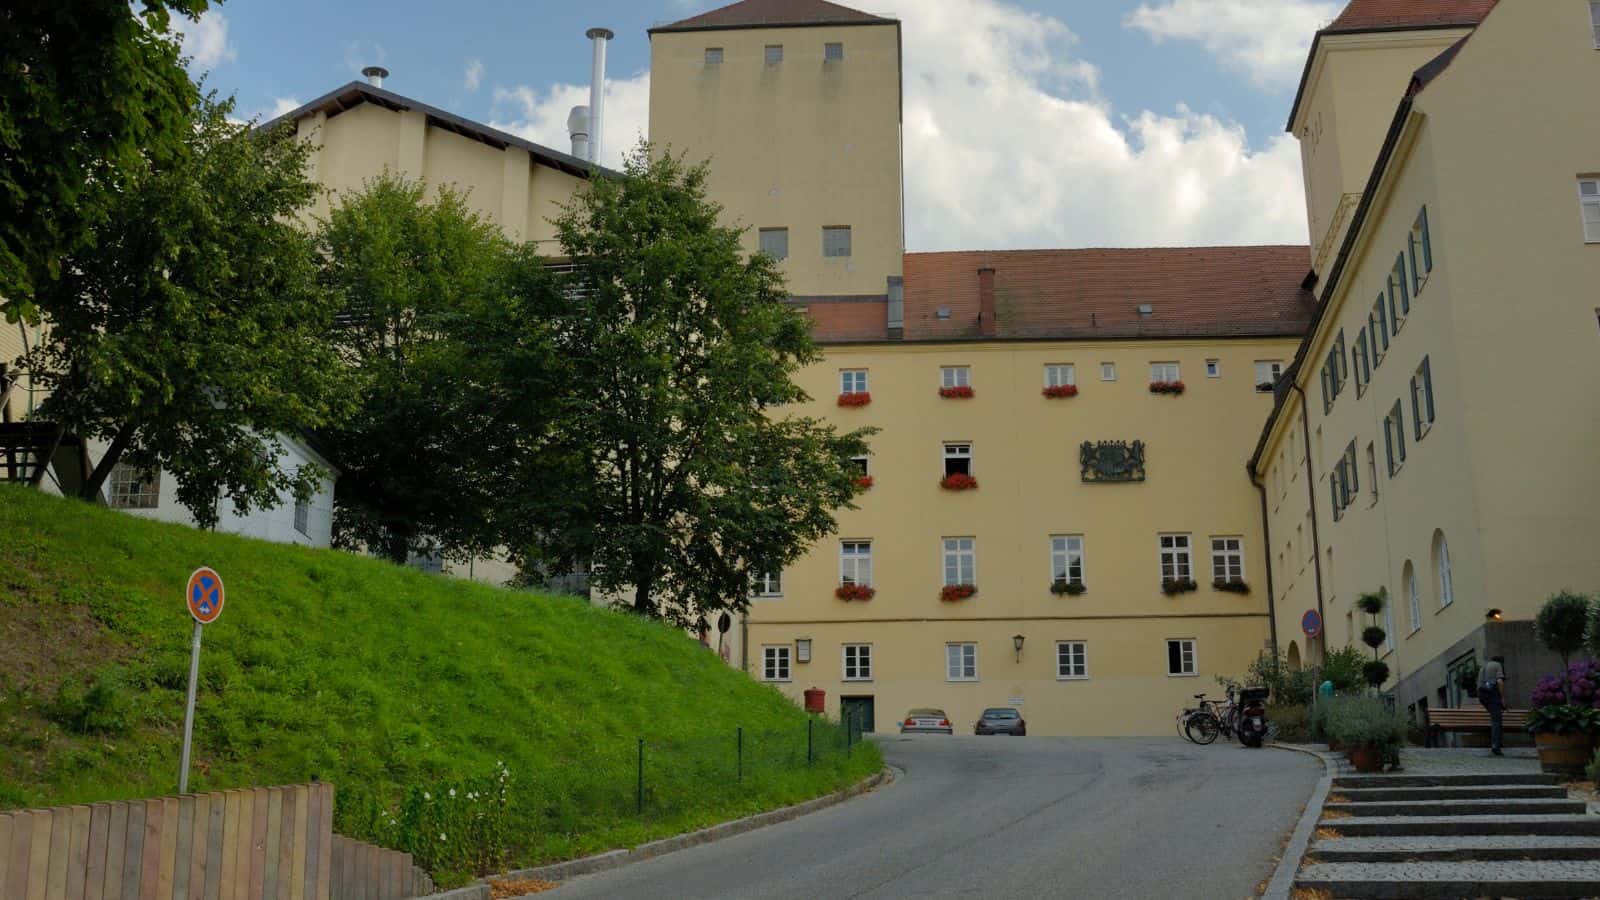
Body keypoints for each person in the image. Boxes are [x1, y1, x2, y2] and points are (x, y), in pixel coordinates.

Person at [1479, 655, 1507, 756]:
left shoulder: (1484, 666)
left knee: (1495, 717)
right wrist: (1502, 698)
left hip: (1482, 694)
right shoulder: (1498, 665)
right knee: (1496, 719)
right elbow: (1499, 681)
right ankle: (1496, 745)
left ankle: (1498, 742)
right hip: (1492, 693)